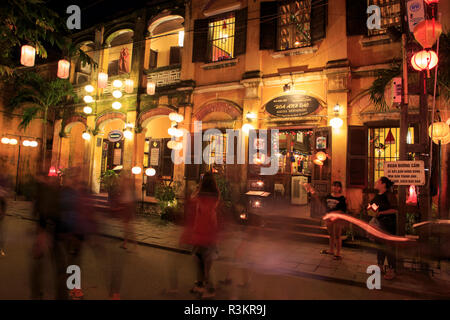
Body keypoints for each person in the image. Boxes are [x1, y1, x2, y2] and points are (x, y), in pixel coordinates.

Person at [180, 172, 220, 299]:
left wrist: (196, 189)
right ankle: (201, 284)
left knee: (200, 260)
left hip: (200, 230)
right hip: (210, 230)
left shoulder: (200, 195)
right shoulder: (215, 195)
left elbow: (191, 201)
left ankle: (209, 287)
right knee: (204, 261)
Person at [369, 177, 398, 280]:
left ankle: (391, 269)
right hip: (379, 224)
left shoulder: (390, 195)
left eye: (378, 181)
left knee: (389, 247)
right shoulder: (377, 196)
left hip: (389, 224)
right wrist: (370, 208)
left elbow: (395, 210)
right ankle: (380, 266)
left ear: (383, 184)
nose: (376, 182)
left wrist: (381, 213)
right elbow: (372, 206)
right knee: (380, 246)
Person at [309, 181, 347, 260]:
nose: (335, 188)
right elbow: (324, 206)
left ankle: (338, 253)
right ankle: (331, 250)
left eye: (337, 186)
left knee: (337, 235)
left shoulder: (342, 198)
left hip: (337, 219)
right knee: (331, 234)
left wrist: (333, 213)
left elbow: (343, 210)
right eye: (334, 186)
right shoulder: (328, 196)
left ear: (340, 188)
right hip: (329, 219)